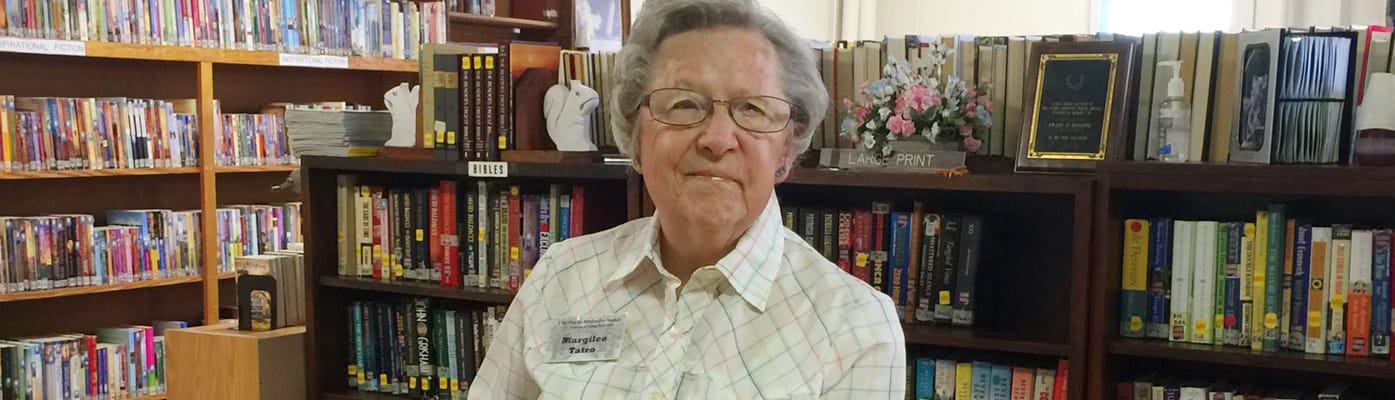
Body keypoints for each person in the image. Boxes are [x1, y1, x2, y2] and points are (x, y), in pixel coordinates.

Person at [466, 0, 906, 398]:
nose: (717, 139)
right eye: (682, 105)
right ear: (635, 138)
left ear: (786, 150)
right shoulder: (560, 276)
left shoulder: (854, 327)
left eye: (751, 109)